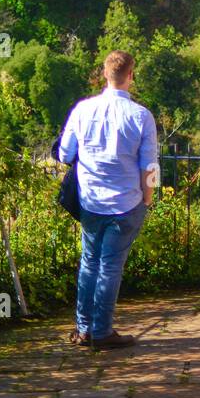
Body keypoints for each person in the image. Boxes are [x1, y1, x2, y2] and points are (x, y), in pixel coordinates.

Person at [58, 50, 158, 349]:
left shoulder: (82, 110)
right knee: (111, 266)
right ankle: (102, 331)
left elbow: (64, 154)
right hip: (127, 202)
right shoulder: (141, 116)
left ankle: (83, 327)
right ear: (131, 75)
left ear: (105, 74)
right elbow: (150, 167)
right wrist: (148, 200)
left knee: (89, 261)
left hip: (90, 200)